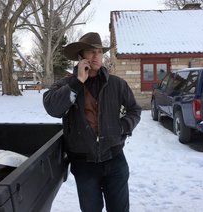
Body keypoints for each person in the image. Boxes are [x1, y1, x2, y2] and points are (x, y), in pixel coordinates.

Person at [43, 32, 141, 212]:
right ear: (81, 57)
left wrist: (122, 127)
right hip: (84, 164)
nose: (96, 56)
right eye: (90, 52)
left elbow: (134, 110)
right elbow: (52, 109)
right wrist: (78, 81)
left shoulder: (117, 84)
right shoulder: (66, 84)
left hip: (115, 160)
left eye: (99, 52)